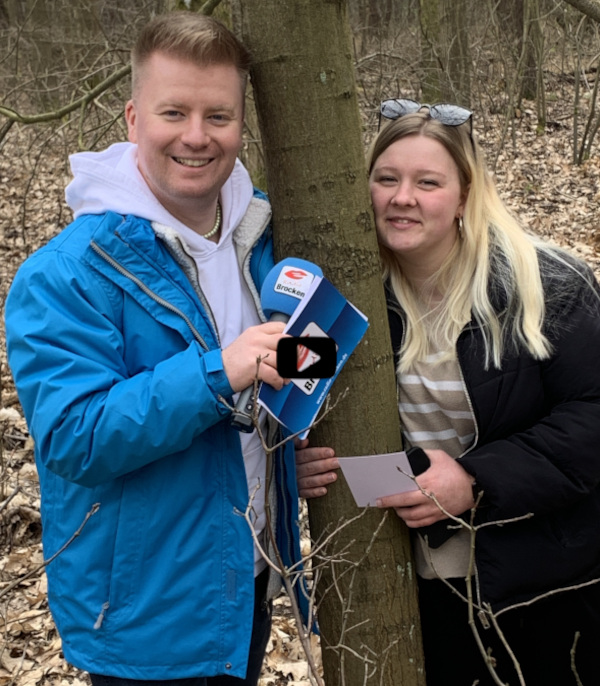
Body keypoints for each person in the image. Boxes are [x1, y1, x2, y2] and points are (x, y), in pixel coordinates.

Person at [4, 12, 328, 686]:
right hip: (146, 612)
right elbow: (73, 439)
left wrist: (294, 445)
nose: (196, 136)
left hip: (248, 582)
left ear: (243, 123)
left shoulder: (265, 239)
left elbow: (290, 364)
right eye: (173, 112)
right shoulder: (63, 275)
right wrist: (218, 372)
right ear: (132, 118)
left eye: (218, 115)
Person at [296, 98, 600, 686]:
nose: (401, 196)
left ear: (465, 195)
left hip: (550, 580)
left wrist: (475, 480)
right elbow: (301, 398)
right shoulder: (348, 295)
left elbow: (592, 415)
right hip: (415, 584)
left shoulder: (546, 285)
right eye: (386, 178)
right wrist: (302, 458)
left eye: (427, 182)